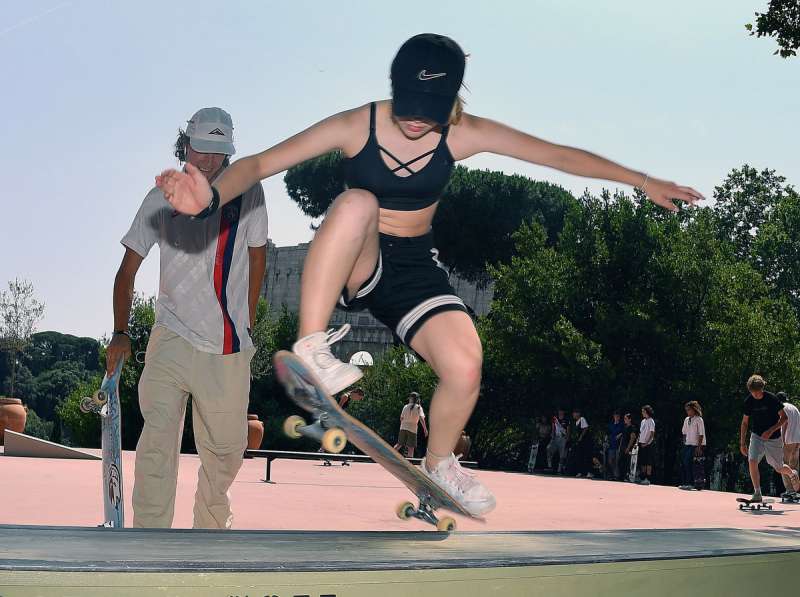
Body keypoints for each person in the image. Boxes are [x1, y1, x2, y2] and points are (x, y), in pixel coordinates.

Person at [155, 34, 701, 516]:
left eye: (431, 111)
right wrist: (209, 200)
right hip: (358, 257)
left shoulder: (465, 134)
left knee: (466, 365)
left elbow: (556, 155)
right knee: (356, 202)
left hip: (416, 268)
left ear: (453, 102)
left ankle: (440, 465)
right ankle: (313, 347)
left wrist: (641, 180)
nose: (416, 121)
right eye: (409, 107)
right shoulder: (356, 123)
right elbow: (257, 165)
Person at [110, 107, 268, 528]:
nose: (209, 161)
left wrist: (245, 320)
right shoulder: (158, 199)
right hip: (171, 338)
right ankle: (150, 541)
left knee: (224, 454)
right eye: (202, 150)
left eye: (218, 153)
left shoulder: (248, 193)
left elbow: (258, 256)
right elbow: (127, 271)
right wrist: (120, 333)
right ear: (186, 145)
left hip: (226, 346)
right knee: (157, 442)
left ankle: (209, 541)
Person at [740, 376, 799, 502]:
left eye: (758, 392)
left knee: (778, 467)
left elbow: (784, 418)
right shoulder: (749, 401)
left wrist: (771, 430)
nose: (755, 395)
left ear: (762, 388)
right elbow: (745, 423)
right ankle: (757, 492)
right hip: (756, 435)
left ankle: (792, 473)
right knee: (752, 460)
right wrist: (742, 443)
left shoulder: (772, 399)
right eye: (753, 392)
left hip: (773, 437)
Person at [777, 392, 800, 498]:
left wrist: (783, 439)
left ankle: (790, 490)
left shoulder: (782, 408)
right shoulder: (795, 408)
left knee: (783, 464)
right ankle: (795, 490)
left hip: (788, 440)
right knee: (793, 466)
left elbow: (784, 423)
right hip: (797, 440)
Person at [679, 401, 706, 490]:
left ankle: (691, 483)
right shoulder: (686, 419)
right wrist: (684, 441)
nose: (687, 412)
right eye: (686, 410)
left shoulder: (699, 419)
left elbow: (701, 434)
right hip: (688, 444)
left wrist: (699, 447)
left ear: (694, 410)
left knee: (691, 464)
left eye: (689, 410)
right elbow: (684, 432)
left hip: (696, 445)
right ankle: (686, 482)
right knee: (685, 463)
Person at [394, 392, 429, 458]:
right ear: (417, 399)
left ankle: (390, 455)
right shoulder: (419, 408)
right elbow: (421, 418)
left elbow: (401, 418)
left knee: (399, 444)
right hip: (412, 429)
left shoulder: (405, 406)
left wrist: (404, 423)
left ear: (411, 399)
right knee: (411, 447)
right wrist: (425, 429)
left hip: (403, 427)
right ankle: (410, 461)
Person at [570, 408, 592, 478]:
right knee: (579, 456)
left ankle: (588, 472)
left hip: (585, 442)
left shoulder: (582, 419)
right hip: (579, 442)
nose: (573, 414)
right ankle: (580, 472)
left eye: (575, 413)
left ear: (578, 414)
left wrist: (581, 437)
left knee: (586, 456)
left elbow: (585, 428)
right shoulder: (576, 422)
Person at [637, 405, 656, 485]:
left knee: (649, 462)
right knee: (643, 462)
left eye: (643, 411)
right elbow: (641, 433)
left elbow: (652, 434)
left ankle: (648, 479)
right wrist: (637, 441)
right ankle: (643, 478)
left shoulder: (651, 421)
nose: (642, 413)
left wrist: (647, 443)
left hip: (648, 444)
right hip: (641, 443)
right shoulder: (643, 421)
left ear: (647, 412)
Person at [547, 409, 569, 473]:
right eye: (559, 411)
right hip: (555, 438)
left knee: (562, 455)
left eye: (562, 411)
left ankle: (559, 469)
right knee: (548, 449)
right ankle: (549, 466)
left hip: (563, 438)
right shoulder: (555, 419)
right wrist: (552, 437)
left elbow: (568, 430)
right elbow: (553, 429)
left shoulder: (566, 420)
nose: (560, 412)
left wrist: (567, 439)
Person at [620, 413, 639, 481]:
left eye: (626, 418)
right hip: (623, 447)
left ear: (630, 419)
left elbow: (633, 438)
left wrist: (628, 448)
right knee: (622, 462)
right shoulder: (625, 427)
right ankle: (623, 477)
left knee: (628, 463)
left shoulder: (632, 428)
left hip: (628, 448)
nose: (624, 420)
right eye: (624, 418)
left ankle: (629, 477)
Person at [606, 411, 624, 480]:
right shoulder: (611, 424)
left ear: (619, 417)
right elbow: (607, 433)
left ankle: (616, 476)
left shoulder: (621, 425)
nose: (616, 417)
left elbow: (623, 432)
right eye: (615, 416)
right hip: (611, 444)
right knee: (610, 461)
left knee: (617, 461)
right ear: (613, 416)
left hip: (618, 445)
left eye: (618, 416)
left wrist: (620, 434)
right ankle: (613, 474)